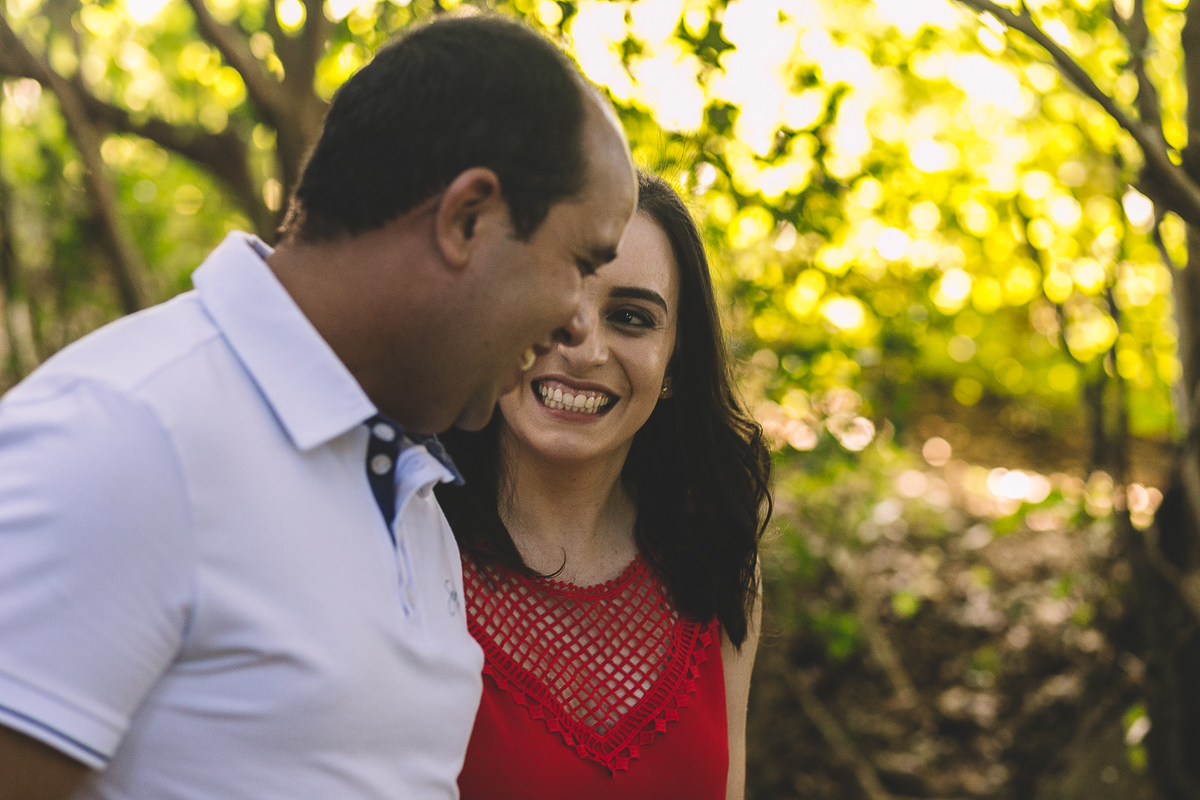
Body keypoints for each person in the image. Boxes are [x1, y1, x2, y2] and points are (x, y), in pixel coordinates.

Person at [0, 14, 636, 800]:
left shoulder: (406, 486)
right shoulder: (126, 434)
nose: (579, 322)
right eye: (580, 263)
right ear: (467, 218)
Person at [435, 170, 772, 800]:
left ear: (675, 363)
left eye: (631, 317)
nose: (585, 349)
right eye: (557, 301)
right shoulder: (409, 546)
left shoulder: (717, 566)